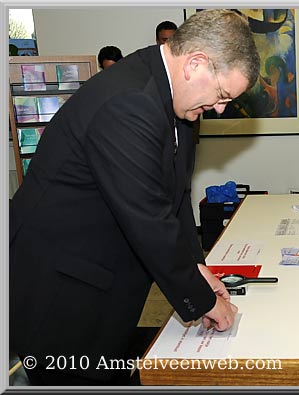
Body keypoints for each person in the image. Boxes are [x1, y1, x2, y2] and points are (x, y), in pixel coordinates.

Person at [9, 9, 260, 386]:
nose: (221, 107)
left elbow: (175, 199)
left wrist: (198, 266)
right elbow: (149, 219)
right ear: (195, 63)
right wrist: (206, 302)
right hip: (61, 289)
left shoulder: (174, 98)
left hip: (100, 279)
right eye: (223, 94)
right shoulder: (130, 101)